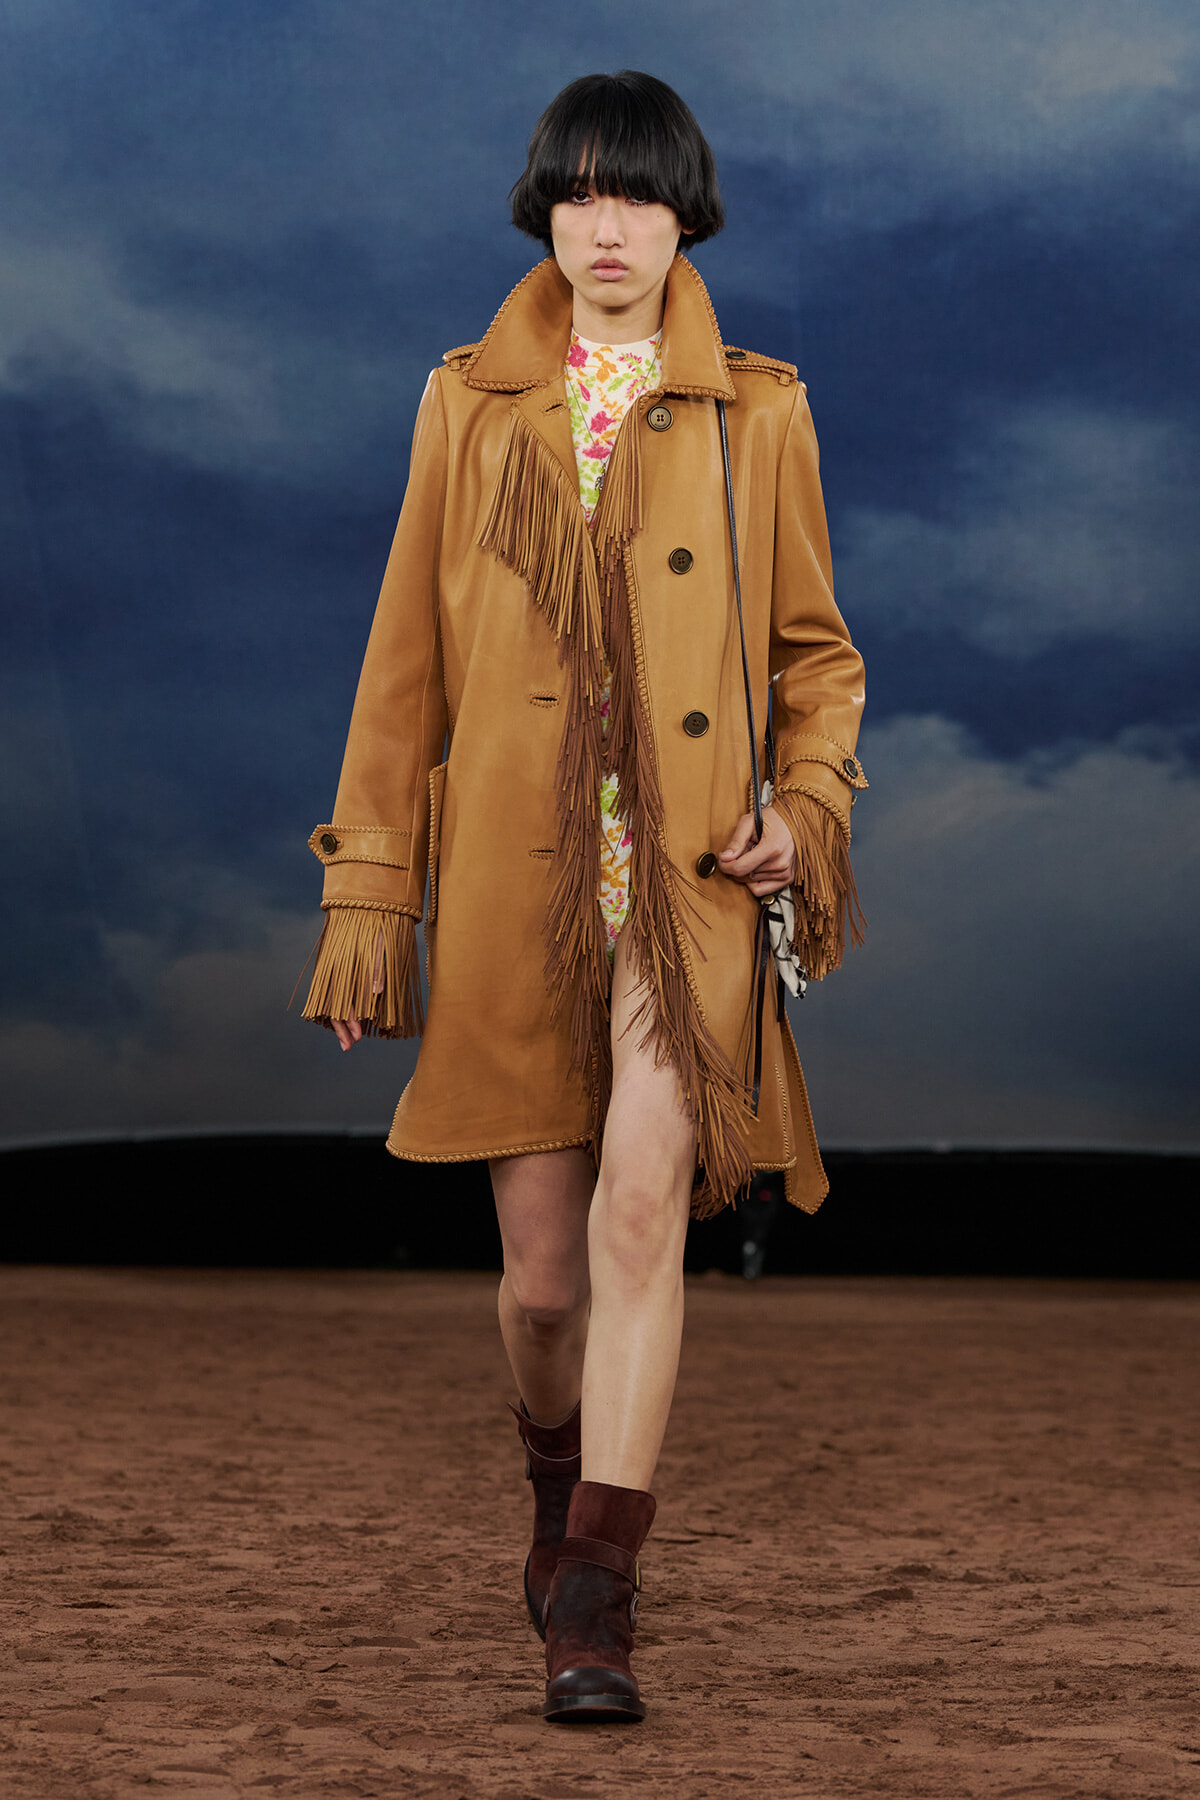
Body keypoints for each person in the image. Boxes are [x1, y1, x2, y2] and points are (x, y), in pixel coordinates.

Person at [300, 70, 866, 1723]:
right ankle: (556, 1489)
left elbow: (816, 660)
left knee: (640, 1217)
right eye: (579, 193)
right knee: (544, 1285)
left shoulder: (761, 411)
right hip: (512, 882)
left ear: (687, 217)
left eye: (639, 195)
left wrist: (807, 810)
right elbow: (402, 665)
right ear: (544, 211)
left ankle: (600, 1597)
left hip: (687, 888)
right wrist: (370, 895)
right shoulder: (467, 402)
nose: (606, 226)